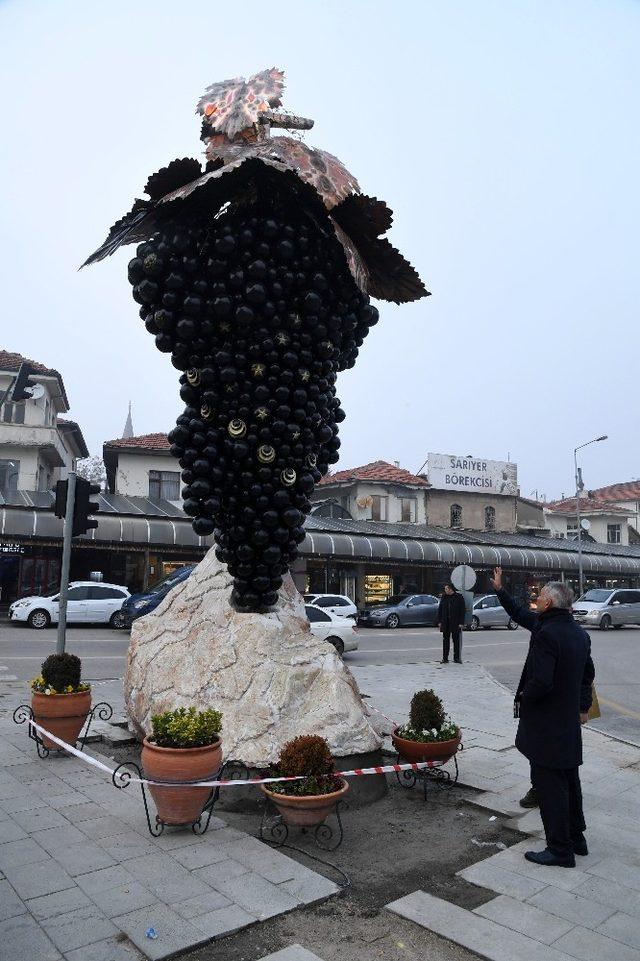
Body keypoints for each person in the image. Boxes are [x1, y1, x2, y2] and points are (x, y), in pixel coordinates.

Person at [490, 567, 595, 868]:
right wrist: (500, 590)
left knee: (550, 787)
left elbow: (542, 680)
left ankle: (560, 850)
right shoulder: (577, 633)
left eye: (540, 597)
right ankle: (577, 839)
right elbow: (588, 674)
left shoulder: (547, 634)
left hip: (547, 725)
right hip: (567, 724)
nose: (535, 601)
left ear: (549, 603)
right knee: (569, 782)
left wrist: (525, 697)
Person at [438, 582, 466, 664]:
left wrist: (461, 622)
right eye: (445, 589)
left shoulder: (459, 597)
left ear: (451, 589)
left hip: (455, 622)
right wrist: (439, 621)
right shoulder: (444, 597)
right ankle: (445, 658)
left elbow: (462, 610)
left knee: (456, 641)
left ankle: (456, 658)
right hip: (445, 622)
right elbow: (440, 609)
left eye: (446, 588)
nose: (445, 590)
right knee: (445, 641)